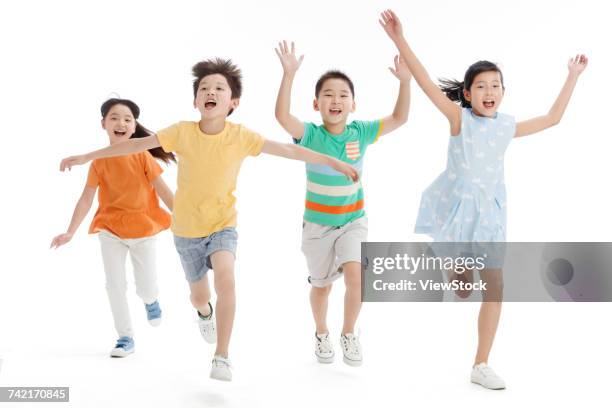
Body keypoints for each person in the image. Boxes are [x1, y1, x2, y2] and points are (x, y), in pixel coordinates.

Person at [59, 58, 359, 381]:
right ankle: (205, 313)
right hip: (187, 230)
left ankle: (222, 356)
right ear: (196, 100)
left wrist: (334, 161)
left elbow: (290, 151)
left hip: (222, 226)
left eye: (219, 88)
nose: (210, 91)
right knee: (200, 296)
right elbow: (131, 146)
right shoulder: (181, 133)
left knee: (226, 278)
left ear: (233, 102)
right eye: (204, 88)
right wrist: (86, 157)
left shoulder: (241, 137)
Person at [380, 8, 588, 389]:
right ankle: (455, 268)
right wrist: (399, 40)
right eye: (481, 86)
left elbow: (553, 118)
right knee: (461, 287)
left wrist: (571, 77)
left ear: (503, 92)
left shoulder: (506, 128)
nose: (489, 92)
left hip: (491, 217)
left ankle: (481, 363)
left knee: (496, 287)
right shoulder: (460, 121)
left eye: (495, 85)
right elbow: (427, 84)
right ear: (466, 93)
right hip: (458, 214)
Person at [274, 40, 412, 366]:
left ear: (353, 104)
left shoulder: (360, 132)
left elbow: (399, 117)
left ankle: (348, 332)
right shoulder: (309, 134)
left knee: (356, 277)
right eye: (328, 95)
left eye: (342, 95)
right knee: (321, 287)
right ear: (316, 103)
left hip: (353, 220)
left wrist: (405, 82)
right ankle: (322, 331)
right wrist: (289, 74)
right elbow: (281, 116)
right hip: (317, 226)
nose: (335, 100)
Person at [51, 98, 175, 358]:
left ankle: (151, 301)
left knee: (145, 286)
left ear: (134, 127)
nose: (121, 123)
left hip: (143, 229)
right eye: (115, 118)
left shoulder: (142, 156)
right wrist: (70, 231)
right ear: (104, 123)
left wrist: (185, 219)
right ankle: (125, 337)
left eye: (128, 119)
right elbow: (86, 198)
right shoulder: (98, 162)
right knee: (114, 285)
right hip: (110, 230)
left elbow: (163, 191)